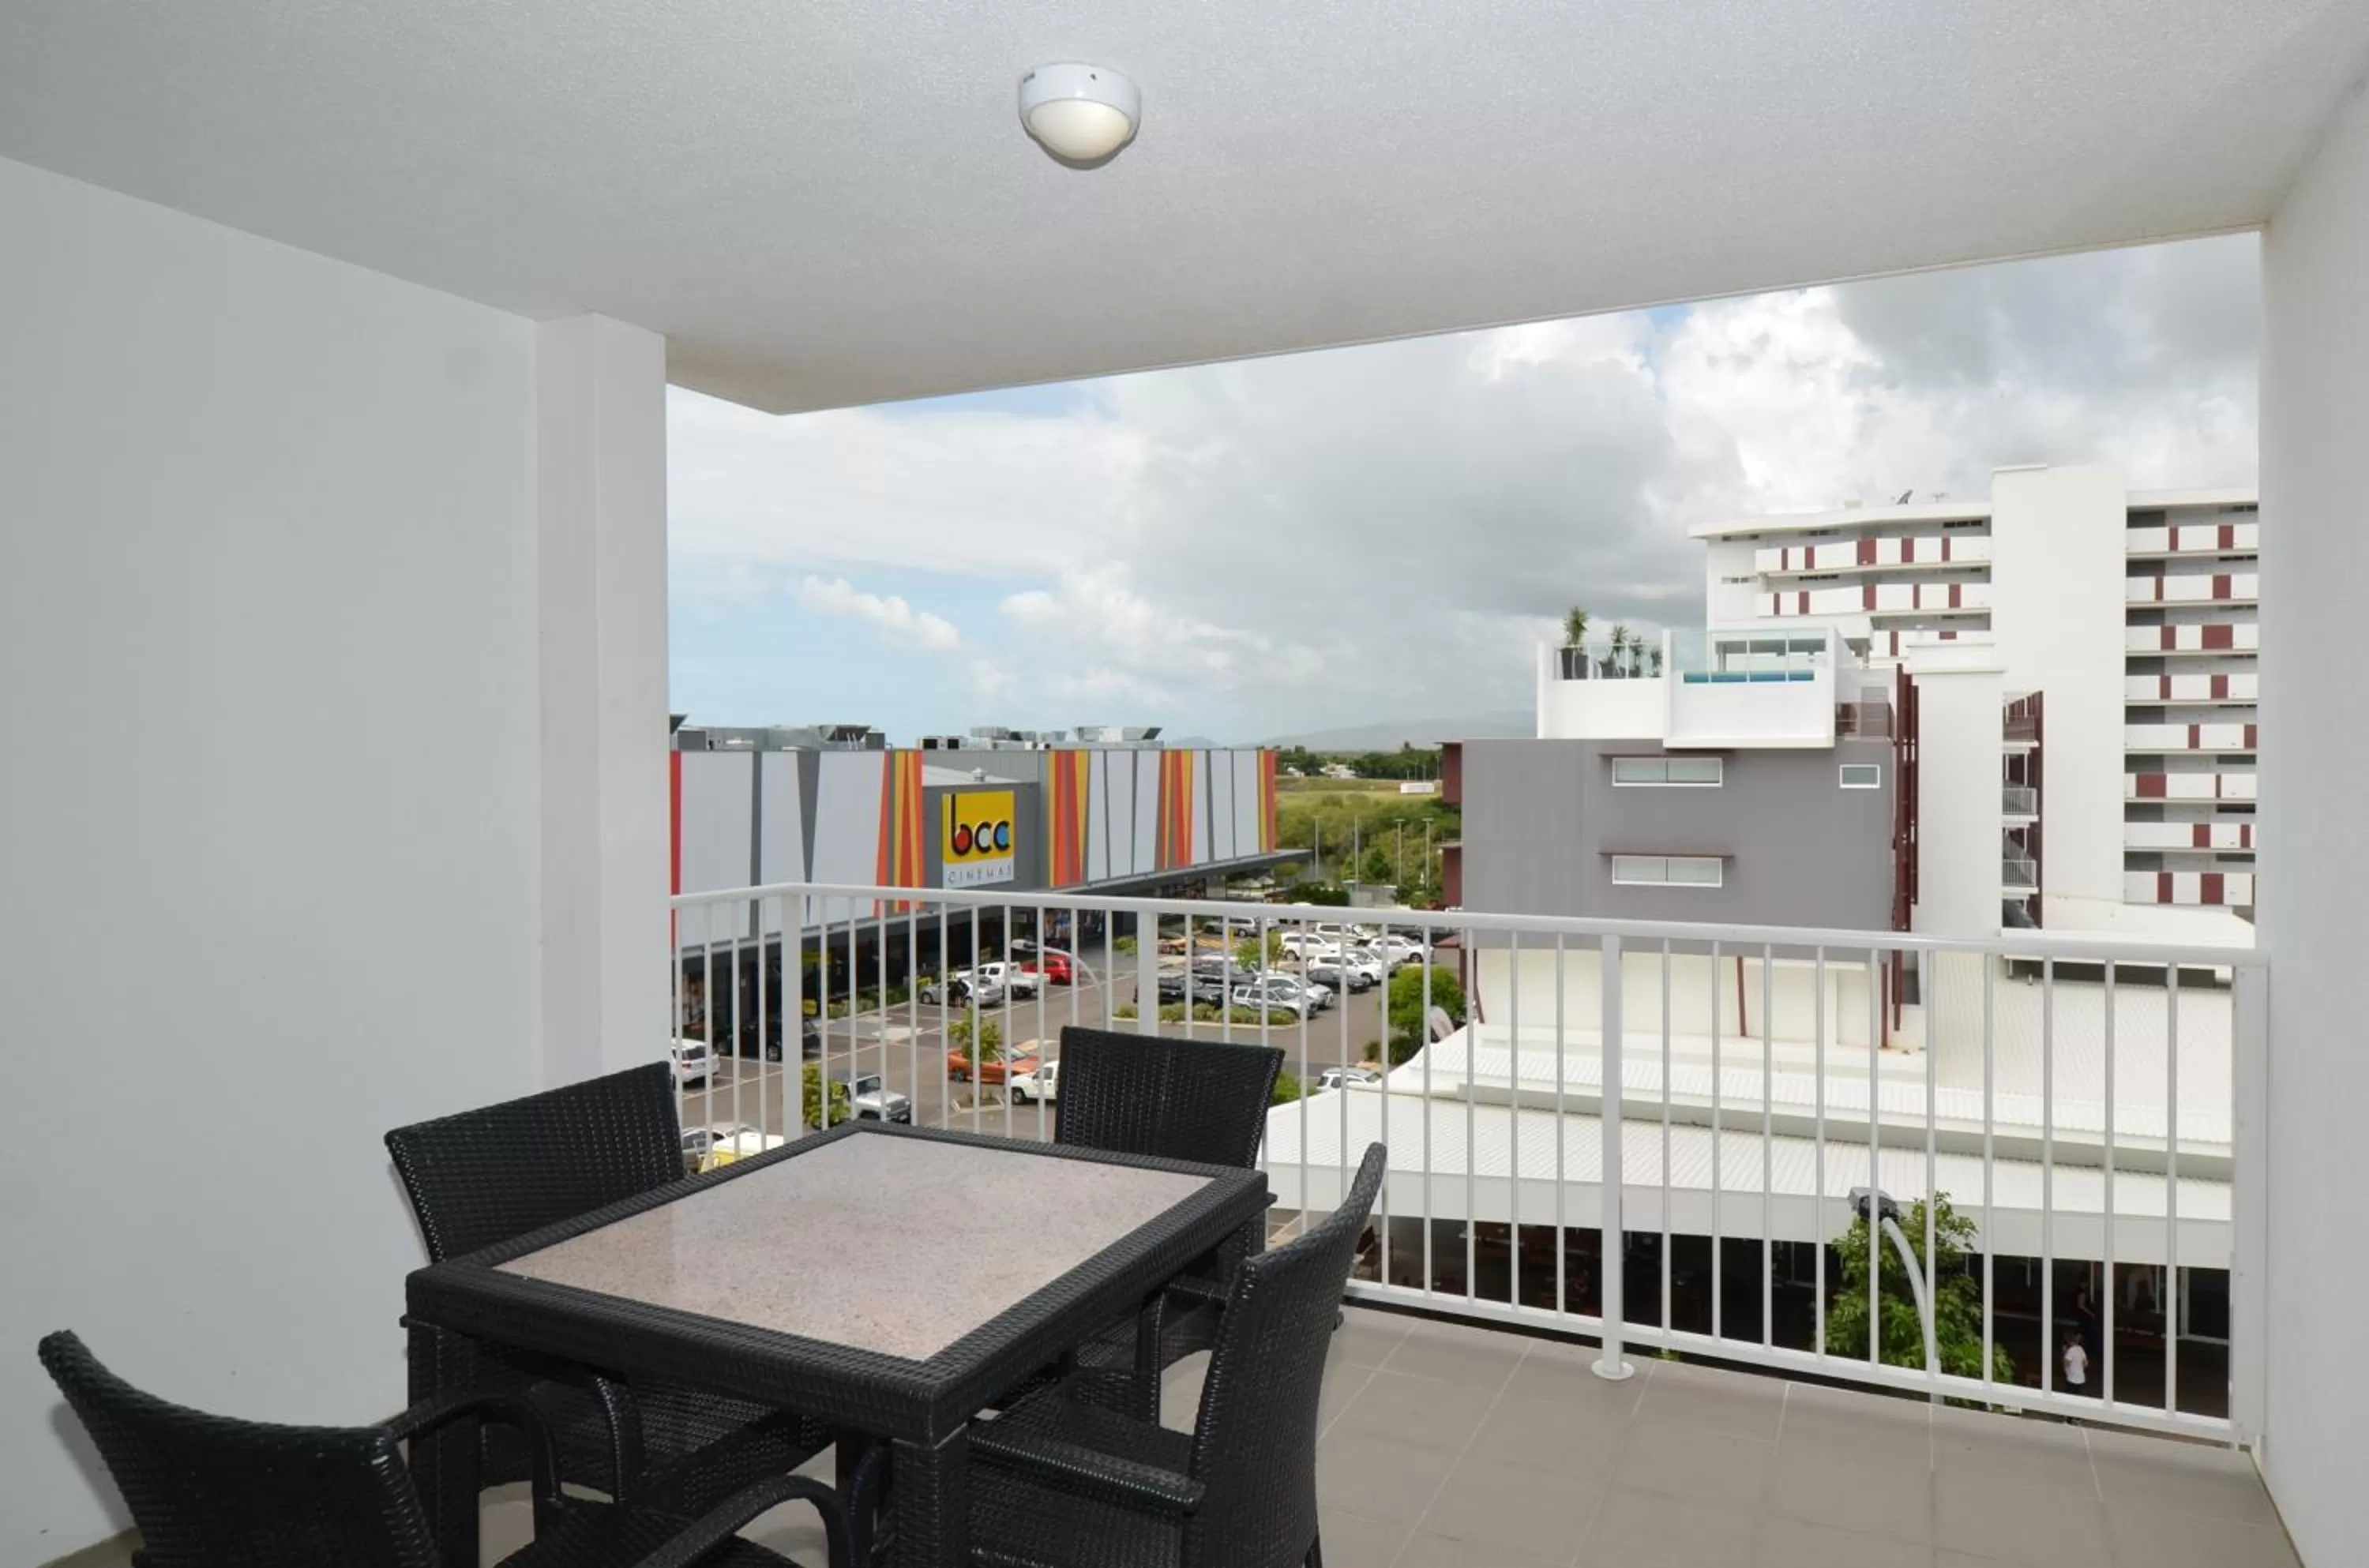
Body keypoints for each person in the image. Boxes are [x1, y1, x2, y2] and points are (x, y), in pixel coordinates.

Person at [2062, 1328, 2090, 1419]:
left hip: (2072, 1378)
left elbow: (2066, 1363)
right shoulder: (2080, 1349)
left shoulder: (2070, 1351)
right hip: (2081, 1378)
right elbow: (2086, 1363)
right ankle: (2078, 1417)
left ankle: (2069, 1417)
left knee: (2069, 1398)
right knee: (2078, 1397)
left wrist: (2067, 1371)